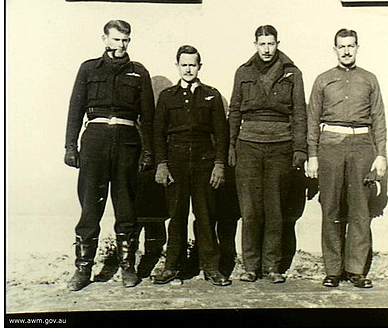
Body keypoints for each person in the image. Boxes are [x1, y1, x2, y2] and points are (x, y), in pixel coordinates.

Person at [64, 20, 155, 291]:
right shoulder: (89, 68)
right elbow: (75, 109)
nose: (121, 45)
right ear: (104, 39)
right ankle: (83, 269)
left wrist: (148, 151)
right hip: (95, 141)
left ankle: (128, 266)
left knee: (126, 206)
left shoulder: (139, 73)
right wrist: (70, 146)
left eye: (125, 40)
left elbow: (147, 118)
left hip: (127, 142)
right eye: (116, 40)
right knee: (90, 206)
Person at [307, 28, 387, 289]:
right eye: (341, 46)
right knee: (330, 207)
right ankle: (332, 270)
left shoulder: (370, 79)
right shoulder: (323, 80)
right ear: (335, 49)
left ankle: (356, 270)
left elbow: (379, 119)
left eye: (351, 45)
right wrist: (313, 155)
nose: (346, 50)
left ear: (357, 47)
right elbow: (311, 120)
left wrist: (381, 155)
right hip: (330, 145)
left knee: (360, 210)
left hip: (362, 146)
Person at [228, 25, 308, 283]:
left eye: (271, 44)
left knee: (275, 208)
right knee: (250, 209)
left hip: (280, 145)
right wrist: (231, 146)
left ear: (277, 43)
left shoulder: (292, 73)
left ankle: (273, 266)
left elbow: (298, 112)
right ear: (255, 44)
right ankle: (250, 266)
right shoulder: (243, 72)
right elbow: (235, 110)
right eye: (262, 44)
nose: (266, 49)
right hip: (248, 144)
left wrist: (299, 148)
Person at [153, 45, 231, 287]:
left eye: (193, 64)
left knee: (206, 216)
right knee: (176, 216)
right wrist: (162, 164)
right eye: (184, 64)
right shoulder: (167, 97)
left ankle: (211, 268)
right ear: (177, 66)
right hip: (175, 162)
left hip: (203, 161)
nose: (188, 69)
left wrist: (219, 165)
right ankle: (171, 267)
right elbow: (158, 133)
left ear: (200, 66)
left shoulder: (212, 95)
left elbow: (221, 134)